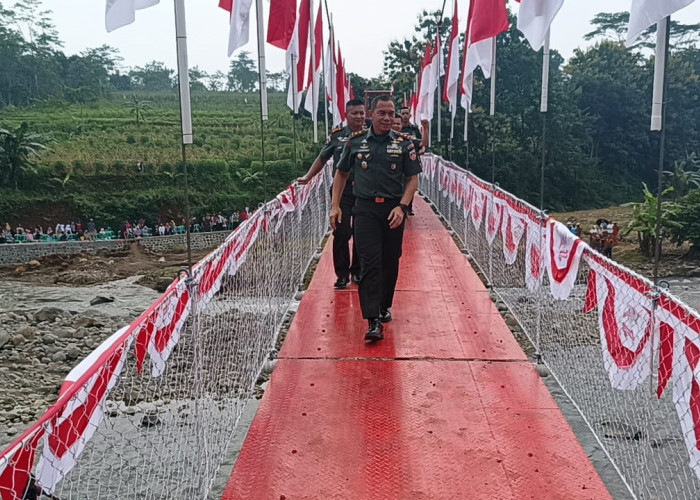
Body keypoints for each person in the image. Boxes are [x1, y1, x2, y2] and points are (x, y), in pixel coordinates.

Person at [332, 94, 421, 343]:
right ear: (372, 115)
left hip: (393, 210)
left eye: (391, 113)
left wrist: (403, 208)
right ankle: (372, 320)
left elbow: (413, 179)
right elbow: (341, 173)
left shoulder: (404, 144)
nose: (387, 118)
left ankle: (384, 306)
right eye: (382, 113)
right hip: (365, 211)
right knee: (370, 263)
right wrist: (335, 206)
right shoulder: (356, 142)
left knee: (390, 260)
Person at [298, 98, 367, 289]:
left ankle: (358, 271)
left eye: (362, 113)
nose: (359, 117)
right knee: (341, 232)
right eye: (355, 113)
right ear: (346, 115)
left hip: (364, 191)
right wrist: (308, 177)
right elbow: (322, 158)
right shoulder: (337, 136)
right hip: (342, 192)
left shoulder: (372, 135)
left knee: (362, 233)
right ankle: (342, 274)